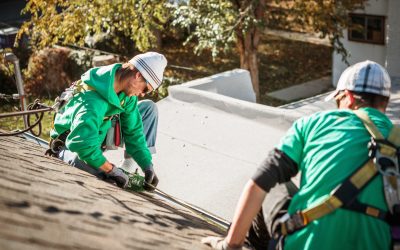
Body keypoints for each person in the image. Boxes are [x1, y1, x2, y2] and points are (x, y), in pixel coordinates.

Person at [202, 60, 393, 250]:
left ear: (348, 98)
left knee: (272, 185)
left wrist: (228, 245)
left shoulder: (313, 124)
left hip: (305, 244)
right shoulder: (396, 139)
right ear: (385, 102)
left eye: (338, 101)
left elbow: (258, 183)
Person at [50, 52, 167, 191]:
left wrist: (147, 165)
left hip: (98, 133)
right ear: (138, 75)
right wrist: (111, 170)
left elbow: (133, 131)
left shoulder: (126, 93)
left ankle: (125, 169)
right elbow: (82, 145)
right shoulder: (92, 100)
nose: (142, 94)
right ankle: (110, 172)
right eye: (146, 89)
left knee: (148, 108)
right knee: (83, 163)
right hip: (71, 144)